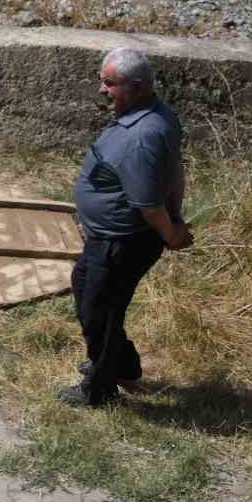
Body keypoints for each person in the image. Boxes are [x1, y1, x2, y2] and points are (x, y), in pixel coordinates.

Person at [59, 47, 192, 408]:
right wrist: (176, 217)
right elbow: (174, 172)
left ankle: (99, 390)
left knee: (99, 312)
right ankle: (124, 365)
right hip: (108, 237)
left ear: (136, 86)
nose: (102, 89)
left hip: (121, 242)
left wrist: (172, 232)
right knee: (88, 292)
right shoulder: (155, 114)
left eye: (109, 83)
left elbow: (149, 205)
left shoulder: (141, 135)